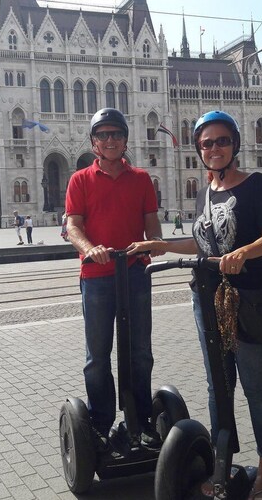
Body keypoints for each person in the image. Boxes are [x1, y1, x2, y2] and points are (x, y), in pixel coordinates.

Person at [128, 110, 262, 498]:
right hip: (206, 298)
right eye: (207, 143)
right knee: (218, 385)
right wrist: (160, 246)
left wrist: (243, 253)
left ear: (234, 144)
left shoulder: (256, 185)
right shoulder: (205, 191)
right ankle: (222, 464)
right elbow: (203, 243)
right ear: (200, 149)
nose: (214, 148)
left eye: (221, 141)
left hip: (246, 297)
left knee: (253, 383)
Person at [65, 107, 164, 451]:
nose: (110, 140)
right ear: (93, 142)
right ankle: (101, 422)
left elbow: (153, 227)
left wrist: (151, 244)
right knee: (97, 357)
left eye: (116, 134)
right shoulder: (79, 180)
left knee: (140, 353)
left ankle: (141, 420)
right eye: (103, 135)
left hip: (134, 274)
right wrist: (90, 249)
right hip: (97, 277)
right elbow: (73, 226)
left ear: (124, 141)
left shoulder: (141, 179)